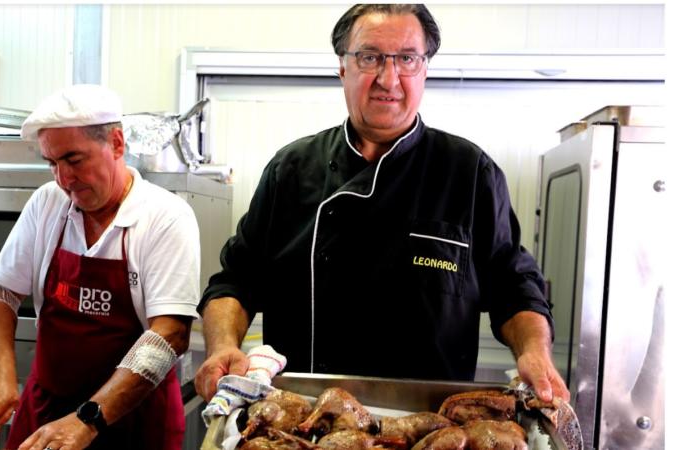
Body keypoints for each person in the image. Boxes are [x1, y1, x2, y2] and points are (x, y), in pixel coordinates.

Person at [195, 4, 569, 405]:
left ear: (424, 69)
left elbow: (514, 287)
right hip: (304, 418)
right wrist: (221, 346)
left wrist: (535, 352)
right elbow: (236, 279)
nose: (388, 78)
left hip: (430, 425)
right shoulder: (290, 169)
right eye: (369, 57)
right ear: (343, 68)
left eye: (407, 59)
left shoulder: (469, 173)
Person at [0, 84, 201, 450]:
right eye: (52, 163)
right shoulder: (47, 203)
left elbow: (170, 333)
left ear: (117, 143)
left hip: (134, 422)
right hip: (45, 412)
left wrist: (88, 418)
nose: (63, 179)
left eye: (75, 160)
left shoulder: (165, 216)